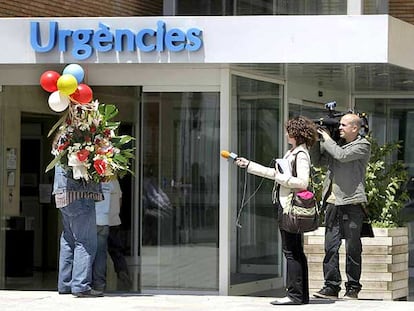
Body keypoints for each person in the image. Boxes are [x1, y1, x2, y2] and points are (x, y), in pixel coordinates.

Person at [235, 116, 318, 305]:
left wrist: (282, 179)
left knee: (291, 251)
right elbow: (276, 174)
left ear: (295, 132)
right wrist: (250, 166)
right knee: (295, 250)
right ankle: (299, 295)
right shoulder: (294, 152)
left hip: (290, 207)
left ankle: (295, 295)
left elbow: (302, 182)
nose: (286, 133)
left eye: (288, 130)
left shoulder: (300, 154)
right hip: (287, 206)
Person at [311, 113, 371, 300]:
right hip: (332, 203)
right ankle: (331, 286)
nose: (339, 128)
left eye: (343, 125)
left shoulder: (362, 145)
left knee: (353, 248)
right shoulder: (336, 144)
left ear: (355, 128)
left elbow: (341, 156)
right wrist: (315, 140)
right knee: (330, 246)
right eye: (339, 125)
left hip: (352, 202)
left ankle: (353, 287)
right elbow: (317, 162)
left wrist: (328, 139)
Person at [53, 164, 104, 297]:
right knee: (85, 241)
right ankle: (80, 285)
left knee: (68, 239)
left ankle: (65, 284)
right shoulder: (77, 142)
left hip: (63, 194)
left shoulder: (58, 144)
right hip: (80, 194)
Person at [107, 178, 133, 290]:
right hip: (115, 221)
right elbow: (120, 201)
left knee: (99, 251)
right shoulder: (115, 182)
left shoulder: (100, 181)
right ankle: (122, 271)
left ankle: (98, 278)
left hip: (101, 221)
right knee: (116, 250)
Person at [92, 180, 113, 294]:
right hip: (104, 221)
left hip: (92, 220)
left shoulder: (92, 183)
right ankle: (100, 284)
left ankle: (86, 283)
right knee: (101, 255)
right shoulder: (110, 184)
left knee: (87, 253)